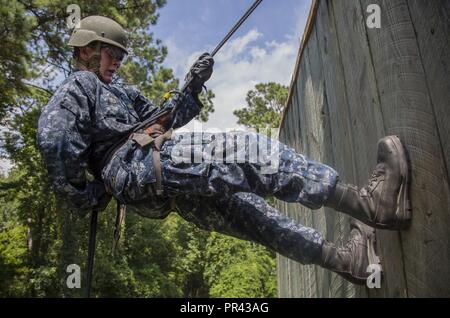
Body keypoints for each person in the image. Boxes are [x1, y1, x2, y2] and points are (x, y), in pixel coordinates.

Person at [37, 16, 411, 285]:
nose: (117, 63)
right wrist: (88, 194)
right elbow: (55, 140)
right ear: (86, 50)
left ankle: (348, 261)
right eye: (110, 54)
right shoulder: (79, 87)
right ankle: (371, 204)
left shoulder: (118, 90)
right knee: (247, 151)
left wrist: (193, 85)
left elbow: (162, 119)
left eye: (120, 57)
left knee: (254, 217)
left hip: (152, 179)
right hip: (140, 166)